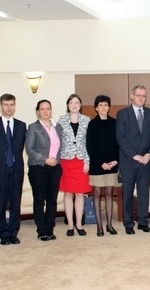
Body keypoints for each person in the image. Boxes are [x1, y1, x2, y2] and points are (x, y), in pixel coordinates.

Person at [116, 85, 150, 235]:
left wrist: (149, 154)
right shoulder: (122, 114)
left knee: (144, 193)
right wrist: (134, 155)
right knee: (128, 194)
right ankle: (128, 223)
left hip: (146, 161)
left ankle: (143, 222)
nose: (141, 98)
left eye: (144, 96)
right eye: (138, 95)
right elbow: (120, 137)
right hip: (128, 161)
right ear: (132, 96)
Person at [0, 93, 26, 245]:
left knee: (16, 202)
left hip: (16, 169)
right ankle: (3, 234)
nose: (9, 108)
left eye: (11, 105)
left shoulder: (21, 126)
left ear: (14, 106)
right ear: (1, 106)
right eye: (6, 105)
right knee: (0, 203)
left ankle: (13, 233)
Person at [25, 99, 63, 241]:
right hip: (38, 167)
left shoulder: (58, 127)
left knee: (52, 200)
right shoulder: (33, 127)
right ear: (38, 111)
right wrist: (45, 159)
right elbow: (29, 149)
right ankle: (41, 230)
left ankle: (50, 229)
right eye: (42, 109)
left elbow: (61, 147)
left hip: (55, 167)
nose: (46, 111)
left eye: (48, 108)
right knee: (39, 199)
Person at [58, 93, 92, 237]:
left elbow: (89, 142)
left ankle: (79, 224)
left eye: (77, 102)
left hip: (81, 161)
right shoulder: (61, 120)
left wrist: (87, 161)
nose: (74, 105)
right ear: (68, 105)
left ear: (80, 105)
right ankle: (70, 225)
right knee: (68, 193)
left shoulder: (86, 120)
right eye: (71, 102)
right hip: (66, 161)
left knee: (80, 193)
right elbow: (58, 142)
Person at [87, 95, 119, 237]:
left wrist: (116, 160)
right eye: (100, 105)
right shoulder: (92, 124)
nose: (103, 107)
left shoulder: (115, 123)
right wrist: (101, 163)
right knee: (97, 193)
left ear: (109, 107)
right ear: (96, 108)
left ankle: (109, 224)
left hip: (112, 164)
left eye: (106, 105)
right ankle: (99, 225)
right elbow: (90, 146)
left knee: (109, 193)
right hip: (97, 165)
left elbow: (119, 143)